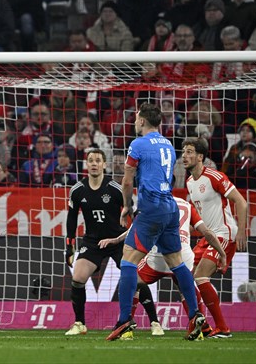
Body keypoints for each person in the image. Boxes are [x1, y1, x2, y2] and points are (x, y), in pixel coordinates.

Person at [106, 103, 208, 341]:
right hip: (170, 207)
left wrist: (127, 207)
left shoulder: (137, 144)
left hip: (150, 207)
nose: (134, 121)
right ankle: (195, 315)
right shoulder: (169, 145)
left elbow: (127, 181)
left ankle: (123, 320)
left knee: (128, 261)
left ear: (142, 121)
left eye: (136, 118)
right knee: (177, 262)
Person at [64, 149, 162, 336]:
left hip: (118, 241)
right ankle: (80, 323)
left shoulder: (114, 188)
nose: (94, 163)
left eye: (97, 160)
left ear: (104, 165)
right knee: (77, 278)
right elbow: (71, 219)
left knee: (138, 280)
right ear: (87, 165)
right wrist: (69, 246)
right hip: (93, 241)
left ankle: (155, 322)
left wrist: (135, 239)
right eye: (90, 160)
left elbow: (133, 213)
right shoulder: (77, 190)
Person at [100, 195, 226, 338]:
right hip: (183, 256)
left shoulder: (153, 202)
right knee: (186, 288)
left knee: (132, 283)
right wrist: (222, 254)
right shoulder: (187, 205)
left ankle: (126, 328)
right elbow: (207, 233)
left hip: (158, 258)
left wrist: (117, 240)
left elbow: (137, 229)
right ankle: (201, 326)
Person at [182, 137, 248, 338]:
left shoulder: (214, 177)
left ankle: (223, 328)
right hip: (207, 237)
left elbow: (241, 202)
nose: (185, 156)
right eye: (184, 152)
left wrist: (243, 231)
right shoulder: (189, 182)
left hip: (224, 234)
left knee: (200, 276)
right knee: (184, 278)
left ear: (200, 157)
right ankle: (201, 325)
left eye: (190, 152)